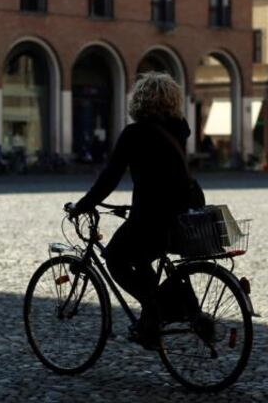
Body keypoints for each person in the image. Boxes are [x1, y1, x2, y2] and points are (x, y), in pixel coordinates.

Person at [73, 72, 193, 349]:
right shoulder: (179, 128)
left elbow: (111, 176)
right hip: (179, 211)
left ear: (139, 100)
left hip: (152, 214)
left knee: (115, 258)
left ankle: (154, 311)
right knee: (142, 258)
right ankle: (154, 318)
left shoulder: (135, 133)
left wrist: (85, 204)